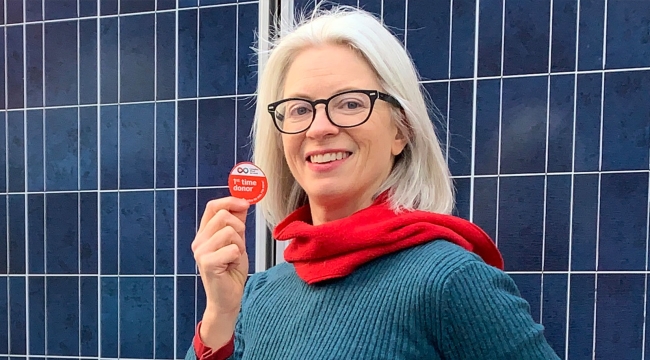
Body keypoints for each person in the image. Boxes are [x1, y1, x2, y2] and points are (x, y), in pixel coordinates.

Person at [185, 5, 560, 360]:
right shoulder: (258, 294)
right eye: (299, 109)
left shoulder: (451, 282)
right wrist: (220, 314)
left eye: (350, 103)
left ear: (401, 130)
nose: (319, 128)